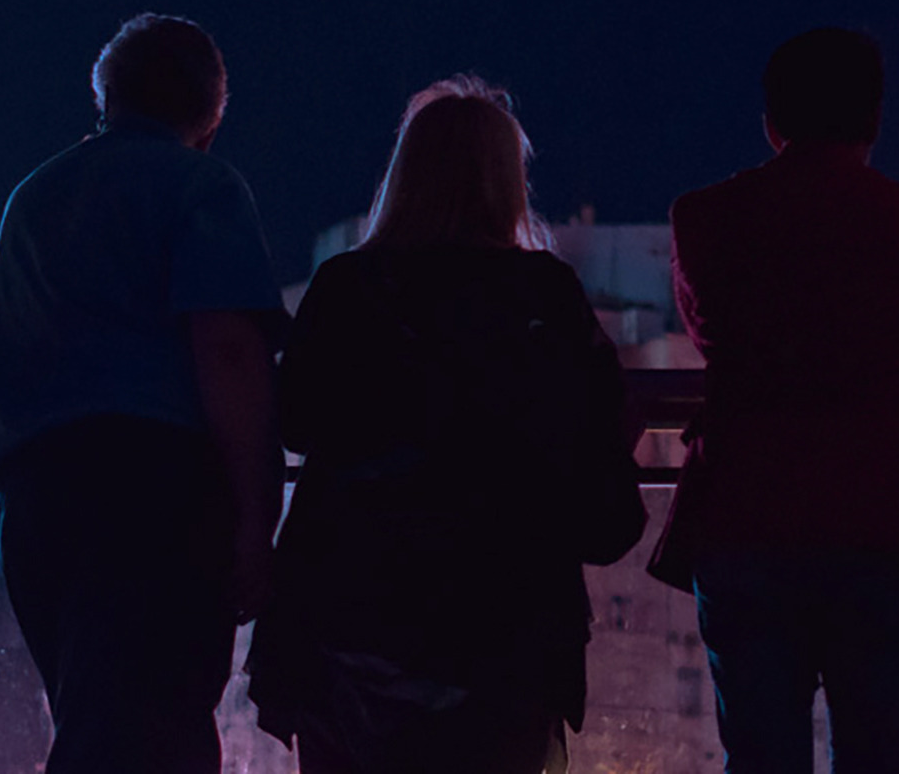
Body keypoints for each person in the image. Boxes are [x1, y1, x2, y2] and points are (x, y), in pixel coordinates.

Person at [249, 77, 647, 774]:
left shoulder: (347, 286)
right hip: (502, 632)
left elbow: (295, 420)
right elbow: (601, 487)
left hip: (350, 623)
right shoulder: (543, 296)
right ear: (507, 182)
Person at [651, 27, 899, 774]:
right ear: (873, 120)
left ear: (772, 123)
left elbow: (716, 334)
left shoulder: (705, 219)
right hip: (883, 523)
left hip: (746, 518)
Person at [0, 13, 285, 774]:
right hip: (159, 500)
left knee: (98, 725)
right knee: (154, 729)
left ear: (105, 99)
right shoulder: (203, 189)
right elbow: (230, 355)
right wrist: (256, 515)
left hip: (38, 503)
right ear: (210, 118)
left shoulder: (33, 199)